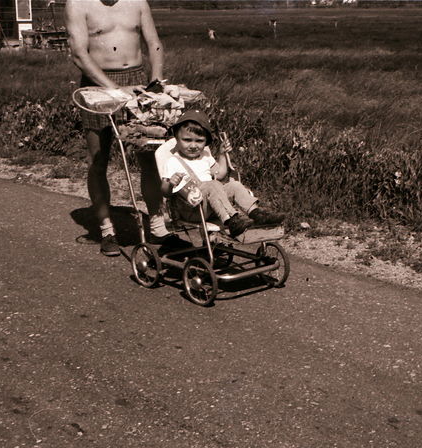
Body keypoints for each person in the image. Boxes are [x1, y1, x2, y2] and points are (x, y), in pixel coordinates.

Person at [65, 0, 183, 256]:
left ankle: (157, 225)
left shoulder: (138, 2)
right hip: (97, 84)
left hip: (137, 81)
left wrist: (155, 79)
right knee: (99, 159)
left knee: (149, 157)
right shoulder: (77, 4)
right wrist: (115, 90)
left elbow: (154, 43)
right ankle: (107, 230)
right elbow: (79, 54)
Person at [159, 110, 284, 237]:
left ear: (206, 141)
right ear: (177, 138)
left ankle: (256, 213)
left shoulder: (205, 156)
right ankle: (232, 220)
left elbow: (220, 174)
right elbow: (165, 192)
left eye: (199, 141)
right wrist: (170, 183)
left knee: (234, 185)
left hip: (212, 205)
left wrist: (222, 154)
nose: (193, 145)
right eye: (187, 140)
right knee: (212, 184)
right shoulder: (173, 161)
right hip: (192, 209)